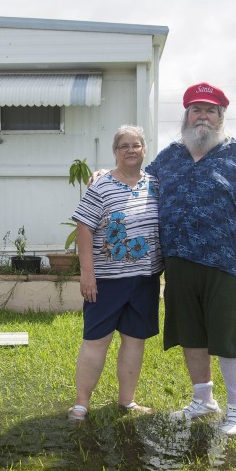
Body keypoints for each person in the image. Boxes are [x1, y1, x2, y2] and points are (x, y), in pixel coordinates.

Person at [90, 82, 236, 435]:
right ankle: (203, 400)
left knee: (230, 335)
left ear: (221, 117)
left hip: (227, 263)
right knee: (192, 334)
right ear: (186, 116)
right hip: (177, 263)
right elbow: (137, 179)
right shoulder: (170, 156)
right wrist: (104, 174)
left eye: (210, 110)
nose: (202, 116)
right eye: (196, 110)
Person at [67, 125, 163, 422]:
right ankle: (81, 403)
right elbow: (84, 227)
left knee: (134, 340)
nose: (131, 150)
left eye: (136, 145)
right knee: (96, 340)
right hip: (106, 281)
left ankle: (127, 401)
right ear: (115, 152)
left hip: (145, 280)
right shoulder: (102, 185)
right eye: (124, 146)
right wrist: (87, 274)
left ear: (144, 150)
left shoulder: (156, 185)